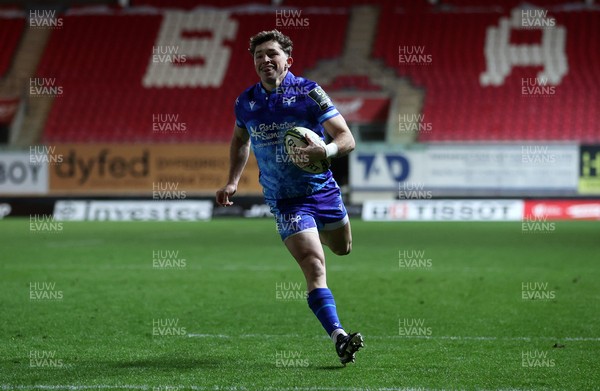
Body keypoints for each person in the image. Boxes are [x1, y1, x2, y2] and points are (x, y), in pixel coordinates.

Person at [216, 29, 363, 365]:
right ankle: (339, 336)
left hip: (322, 190)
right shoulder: (245, 102)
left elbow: (346, 138)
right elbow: (240, 141)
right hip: (285, 200)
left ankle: (315, 229)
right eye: (259, 55)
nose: (265, 60)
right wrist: (232, 181)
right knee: (314, 264)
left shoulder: (310, 93)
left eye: (272, 54)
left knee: (342, 248)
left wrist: (323, 150)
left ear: (287, 60)